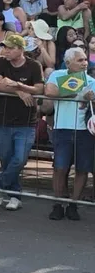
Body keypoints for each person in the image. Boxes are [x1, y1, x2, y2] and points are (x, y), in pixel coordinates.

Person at [0, 34, 45, 211]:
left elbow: (39, 88)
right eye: (5, 47)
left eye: (10, 48)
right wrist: (19, 92)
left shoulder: (34, 65)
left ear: (20, 49)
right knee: (6, 159)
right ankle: (15, 195)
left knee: (20, 159)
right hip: (4, 119)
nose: (6, 51)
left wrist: (17, 85)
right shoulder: (1, 62)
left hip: (26, 121)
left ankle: (0, 183)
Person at [45, 47, 95, 221]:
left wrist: (89, 100)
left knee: (82, 169)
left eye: (85, 60)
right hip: (62, 128)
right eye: (80, 60)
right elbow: (50, 92)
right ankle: (58, 204)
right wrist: (78, 94)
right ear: (68, 63)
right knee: (60, 168)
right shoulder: (57, 75)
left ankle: (73, 205)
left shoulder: (91, 80)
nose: (84, 63)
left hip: (84, 131)